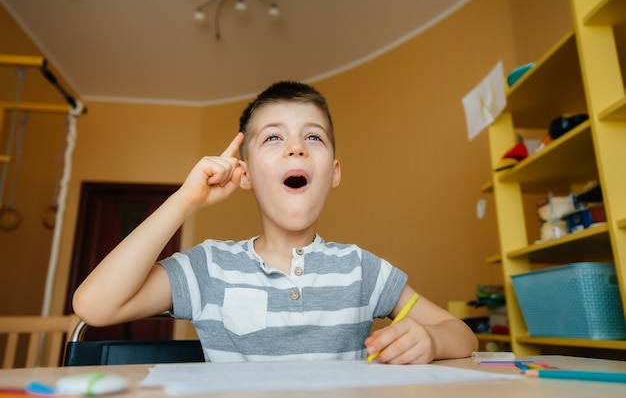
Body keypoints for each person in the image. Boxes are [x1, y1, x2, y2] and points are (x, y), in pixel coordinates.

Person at [73, 81, 478, 364]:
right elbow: (94, 306)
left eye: (313, 137)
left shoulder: (362, 271)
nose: (296, 148)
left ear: (333, 173)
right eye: (273, 138)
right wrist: (184, 201)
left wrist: (430, 338)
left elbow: (462, 335)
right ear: (244, 174)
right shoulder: (209, 269)